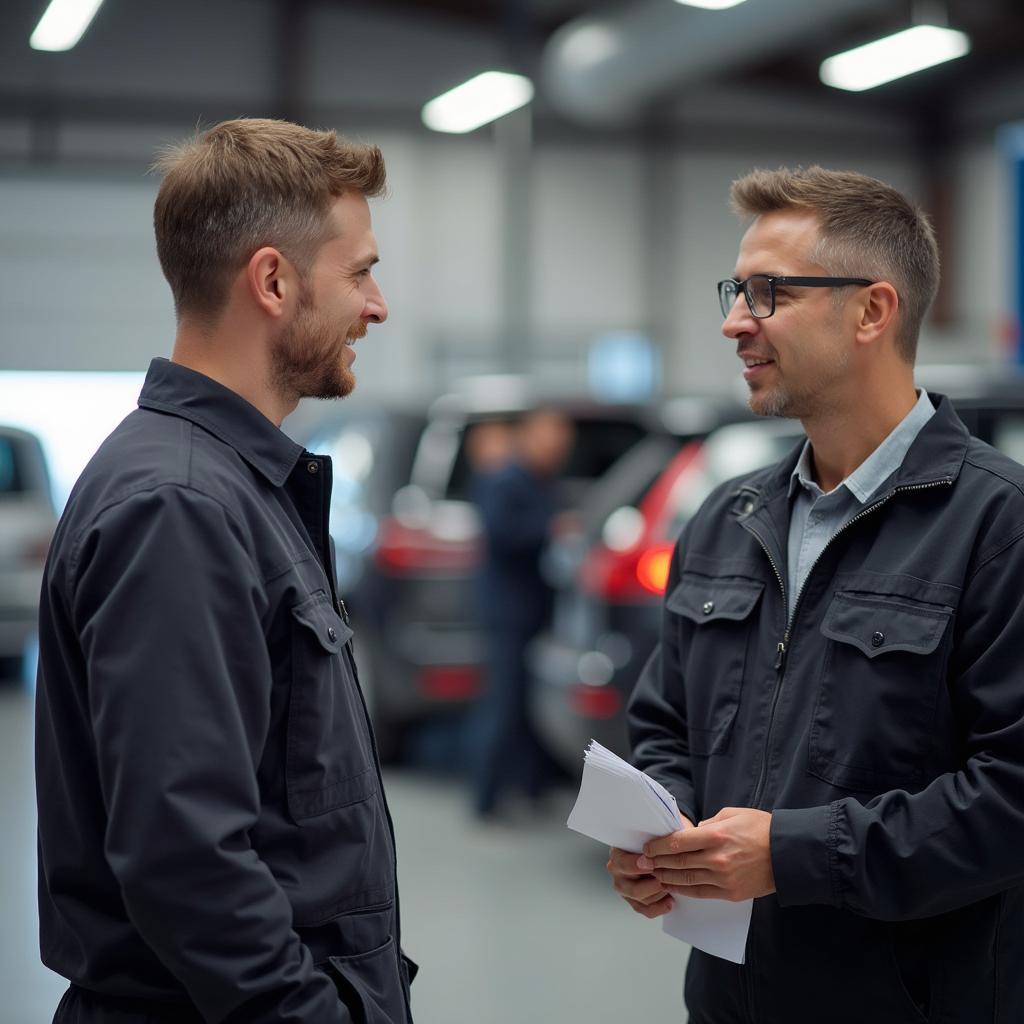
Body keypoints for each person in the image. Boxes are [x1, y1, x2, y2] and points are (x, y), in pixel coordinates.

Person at [607, 166, 1024, 1022]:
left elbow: (1012, 793)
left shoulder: (997, 525)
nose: (733, 322)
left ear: (872, 311)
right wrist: (659, 836)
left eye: (767, 294)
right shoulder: (729, 518)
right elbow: (664, 727)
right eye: (735, 291)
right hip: (731, 999)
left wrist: (792, 854)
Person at [35, 119, 416, 1023]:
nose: (378, 304)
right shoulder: (181, 504)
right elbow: (185, 857)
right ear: (274, 281)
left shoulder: (231, 485)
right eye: (360, 271)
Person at [469, 408, 574, 820]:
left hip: (537, 608)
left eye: (562, 445)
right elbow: (503, 532)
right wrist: (553, 528)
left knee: (532, 704)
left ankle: (533, 788)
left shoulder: (543, 482)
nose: (556, 450)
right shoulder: (504, 479)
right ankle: (487, 798)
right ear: (528, 436)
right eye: (550, 440)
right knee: (504, 703)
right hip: (508, 610)